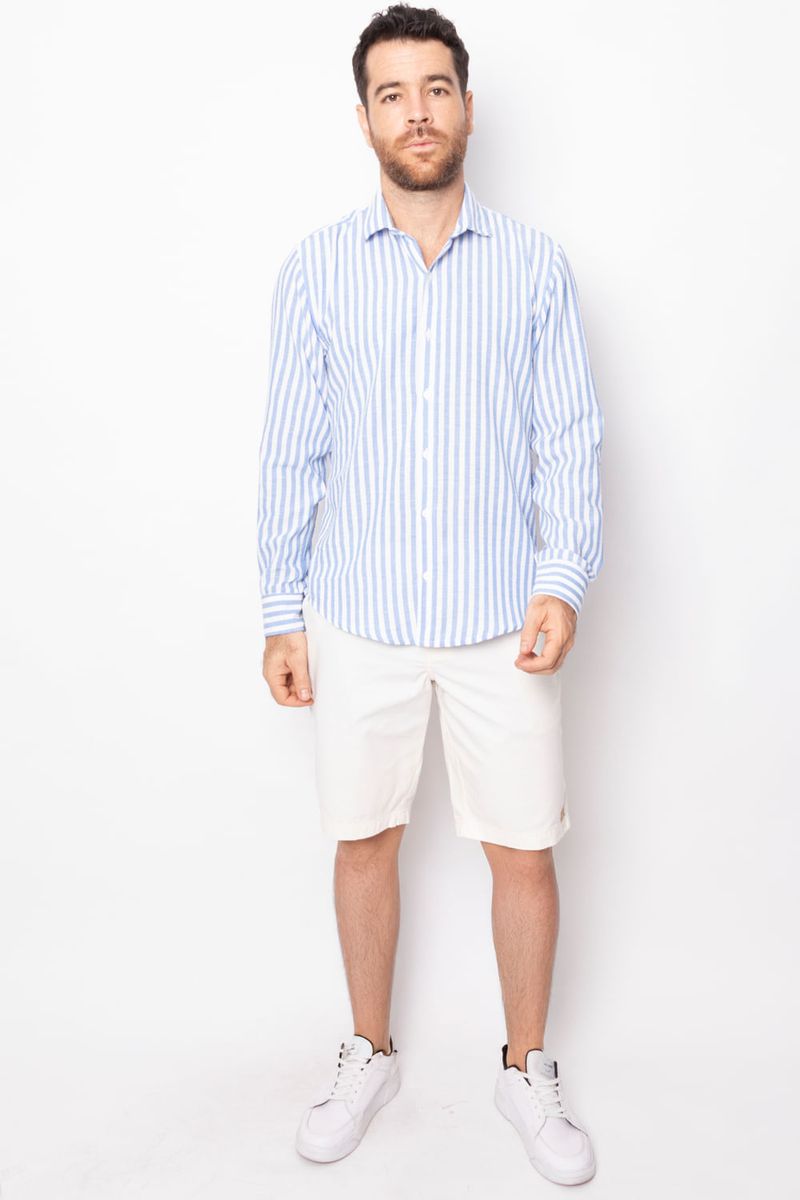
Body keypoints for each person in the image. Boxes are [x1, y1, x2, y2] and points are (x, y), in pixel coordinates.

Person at [256, 4, 604, 1185]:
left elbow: (568, 438)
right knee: (363, 838)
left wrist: (561, 579)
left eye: (435, 88)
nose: (416, 111)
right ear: (363, 118)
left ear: (465, 107)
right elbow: (291, 453)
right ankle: (369, 1050)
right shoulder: (315, 271)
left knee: (523, 849)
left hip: (502, 620)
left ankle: (523, 1066)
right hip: (355, 615)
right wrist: (279, 610)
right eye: (392, 92)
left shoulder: (533, 267)